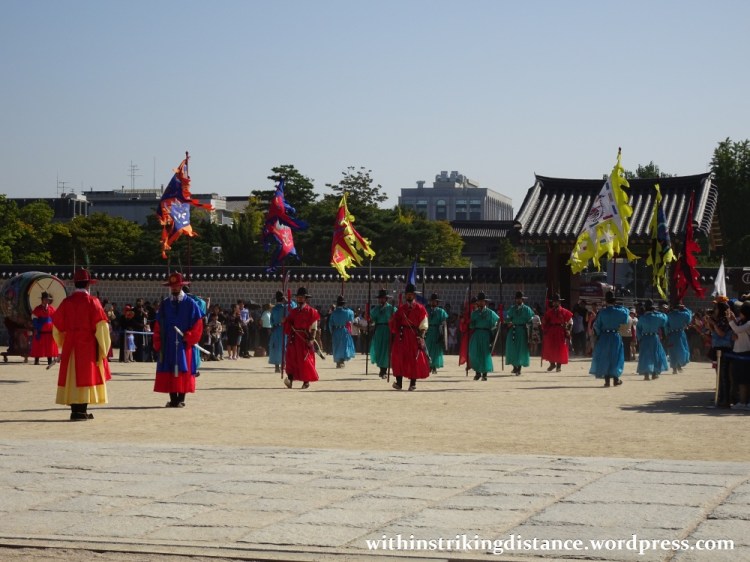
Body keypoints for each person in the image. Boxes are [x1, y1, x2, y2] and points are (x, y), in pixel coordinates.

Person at [52, 268, 111, 421]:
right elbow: (101, 326)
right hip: (87, 345)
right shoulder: (93, 302)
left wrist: (63, 341)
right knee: (85, 376)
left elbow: (57, 326)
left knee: (72, 377)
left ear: (75, 284)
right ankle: (82, 410)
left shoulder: (67, 302)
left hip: (71, 344)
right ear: (87, 285)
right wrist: (103, 347)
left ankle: (75, 411)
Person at [153, 272, 204, 408]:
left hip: (183, 343)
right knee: (170, 370)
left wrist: (190, 336)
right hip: (168, 343)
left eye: (176, 286)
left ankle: (181, 399)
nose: (174, 289)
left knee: (183, 370)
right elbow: (158, 324)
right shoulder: (165, 304)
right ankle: (173, 399)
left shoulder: (190, 304)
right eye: (172, 286)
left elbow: (198, 324)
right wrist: (158, 341)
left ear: (181, 286)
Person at [389, 283, 430, 391]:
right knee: (398, 357)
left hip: (414, 336)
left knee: (414, 358)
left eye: (411, 294)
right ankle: (399, 382)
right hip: (402, 336)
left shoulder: (420, 308)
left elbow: (424, 322)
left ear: (414, 296)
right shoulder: (401, 309)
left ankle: (412, 383)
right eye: (407, 294)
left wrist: (421, 334)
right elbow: (395, 323)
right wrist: (392, 319)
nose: (409, 296)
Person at [589, 291, 629, 387]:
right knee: (616, 357)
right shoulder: (621, 312)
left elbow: (597, 326)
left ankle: (607, 381)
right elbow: (626, 319)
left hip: (604, 336)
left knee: (605, 357)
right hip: (616, 336)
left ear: (606, 301)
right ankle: (616, 379)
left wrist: (598, 334)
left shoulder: (602, 313)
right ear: (615, 301)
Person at [283, 287, 320, 389]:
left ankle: (306, 381)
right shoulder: (294, 311)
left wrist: (312, 339)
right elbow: (289, 324)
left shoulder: (311, 311)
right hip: (294, 339)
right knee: (291, 359)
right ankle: (290, 379)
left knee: (305, 360)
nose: (299, 299)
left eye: (302, 297)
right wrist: (285, 321)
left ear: (305, 298)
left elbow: (314, 327)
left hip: (305, 338)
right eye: (298, 297)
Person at [469, 291, 500, 381]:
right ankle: (477, 373)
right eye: (479, 301)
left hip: (486, 334)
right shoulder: (474, 313)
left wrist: (494, 329)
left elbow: (498, 321)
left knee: (485, 354)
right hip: (476, 334)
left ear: (485, 302)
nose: (480, 303)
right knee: (474, 353)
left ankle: (484, 374)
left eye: (482, 301)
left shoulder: (490, 313)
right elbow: (471, 326)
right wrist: (469, 322)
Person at [636, 299, 669, 381]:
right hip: (654, 337)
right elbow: (665, 320)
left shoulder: (642, 318)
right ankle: (654, 373)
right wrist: (659, 312)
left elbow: (638, 329)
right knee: (656, 355)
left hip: (645, 337)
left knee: (645, 355)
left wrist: (640, 338)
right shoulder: (658, 316)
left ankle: (646, 374)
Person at [541, 293, 573, 372]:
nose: (555, 303)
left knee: (560, 349)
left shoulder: (564, 311)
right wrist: (543, 326)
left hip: (560, 331)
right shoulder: (549, 312)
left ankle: (559, 366)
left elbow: (571, 321)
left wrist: (568, 330)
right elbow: (544, 322)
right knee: (549, 347)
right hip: (551, 331)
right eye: (554, 302)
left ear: (559, 302)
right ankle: (552, 364)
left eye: (557, 302)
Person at [504, 291, 534, 376]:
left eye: (519, 299)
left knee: (521, 349)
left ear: (522, 299)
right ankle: (514, 366)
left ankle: (519, 368)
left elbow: (531, 320)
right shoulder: (512, 309)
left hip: (522, 330)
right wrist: (508, 322)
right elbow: (508, 318)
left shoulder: (527, 309)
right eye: (517, 299)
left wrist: (529, 328)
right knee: (511, 348)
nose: (518, 300)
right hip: (513, 330)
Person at [728, 301, 750, 410]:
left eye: (741, 312)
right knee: (740, 380)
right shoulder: (741, 321)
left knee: (745, 380)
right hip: (738, 353)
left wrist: (730, 321)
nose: (739, 314)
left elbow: (737, 329)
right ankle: (743, 402)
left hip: (746, 353)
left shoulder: (749, 323)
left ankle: (745, 402)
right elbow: (736, 330)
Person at [369, 289, 395, 379]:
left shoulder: (391, 308)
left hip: (388, 330)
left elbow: (396, 319)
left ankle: (383, 371)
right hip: (379, 330)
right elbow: (372, 319)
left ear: (386, 299)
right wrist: (370, 320)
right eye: (380, 298)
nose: (381, 300)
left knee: (386, 350)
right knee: (379, 350)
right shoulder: (376, 309)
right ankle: (381, 369)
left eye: (383, 298)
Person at [30, 291, 58, 366]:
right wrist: (40, 327)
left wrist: (53, 327)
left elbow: (55, 319)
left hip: (49, 331)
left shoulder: (52, 309)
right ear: (42, 300)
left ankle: (49, 361)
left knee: (50, 347)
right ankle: (36, 360)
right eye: (45, 299)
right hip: (40, 331)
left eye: (48, 299)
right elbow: (34, 320)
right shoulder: (37, 309)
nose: (46, 301)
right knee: (38, 346)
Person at [666, 302, 693, 374]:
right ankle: (679, 364)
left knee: (672, 351)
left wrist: (667, 333)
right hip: (681, 334)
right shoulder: (683, 314)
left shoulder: (669, 315)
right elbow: (689, 317)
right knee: (682, 350)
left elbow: (666, 326)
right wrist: (685, 308)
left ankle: (674, 368)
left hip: (671, 334)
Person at [425, 293, 449, 375]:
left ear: (437, 302)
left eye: (435, 301)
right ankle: (428, 365)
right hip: (428, 330)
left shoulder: (441, 311)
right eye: (432, 301)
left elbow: (444, 323)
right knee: (428, 348)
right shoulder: (426, 310)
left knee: (436, 350)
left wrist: (442, 334)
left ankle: (434, 366)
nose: (433, 303)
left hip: (437, 331)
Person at [329, 295, 356, 368]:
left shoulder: (333, 313)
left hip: (336, 330)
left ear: (337, 304)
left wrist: (332, 332)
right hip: (344, 330)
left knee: (336, 346)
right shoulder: (347, 312)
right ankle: (341, 360)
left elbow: (330, 324)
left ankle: (338, 361)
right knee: (344, 346)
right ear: (343, 304)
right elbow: (351, 317)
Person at [268, 291, 288, 373]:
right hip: (284, 330)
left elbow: (271, 321)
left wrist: (274, 324)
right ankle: (284, 364)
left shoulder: (274, 309)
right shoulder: (285, 308)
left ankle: (277, 366)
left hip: (275, 330)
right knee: (284, 347)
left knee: (275, 347)